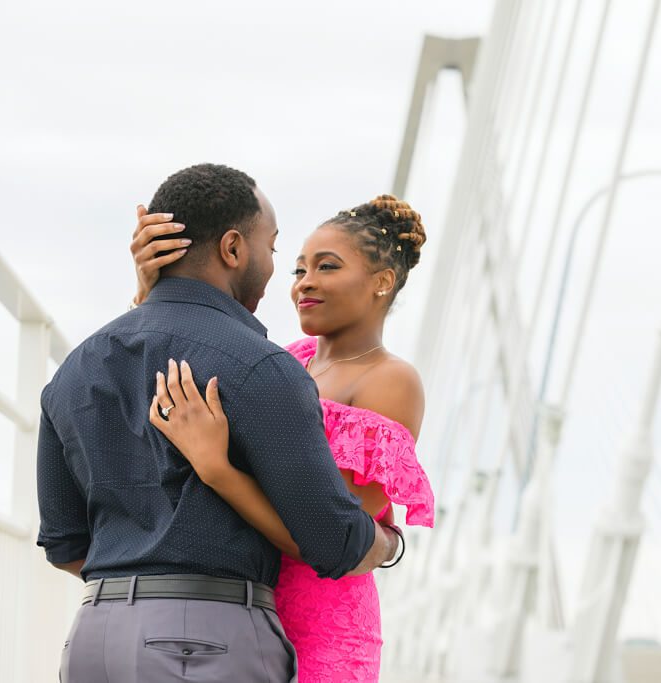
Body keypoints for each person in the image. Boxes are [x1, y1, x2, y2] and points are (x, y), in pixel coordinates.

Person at [36, 163, 401, 683]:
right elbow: (333, 540)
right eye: (272, 249)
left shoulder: (74, 370)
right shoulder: (262, 369)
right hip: (204, 644)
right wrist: (390, 542)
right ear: (233, 249)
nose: (279, 270)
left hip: (94, 638)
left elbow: (64, 544)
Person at [131, 194, 436, 682]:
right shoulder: (285, 362)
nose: (304, 283)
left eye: (326, 267)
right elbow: (177, 389)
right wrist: (152, 292)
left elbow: (328, 532)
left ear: (382, 282)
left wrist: (219, 471)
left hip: (324, 631)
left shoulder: (390, 380)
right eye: (298, 270)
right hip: (242, 614)